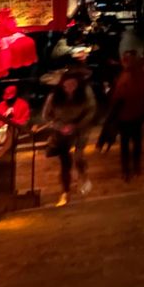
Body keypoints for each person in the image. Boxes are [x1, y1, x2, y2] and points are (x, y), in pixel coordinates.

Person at [41, 72, 97, 206]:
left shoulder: (85, 93)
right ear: (62, 86)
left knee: (78, 157)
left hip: (80, 129)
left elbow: (91, 110)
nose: (70, 88)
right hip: (61, 132)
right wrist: (60, 126)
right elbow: (46, 116)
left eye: (73, 84)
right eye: (67, 85)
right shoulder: (54, 97)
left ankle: (83, 176)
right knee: (65, 162)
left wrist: (76, 125)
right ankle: (65, 191)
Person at [107, 52, 144, 180]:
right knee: (135, 143)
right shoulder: (141, 75)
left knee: (126, 145)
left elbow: (116, 98)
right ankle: (134, 168)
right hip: (135, 115)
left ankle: (127, 170)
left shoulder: (122, 77)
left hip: (126, 116)